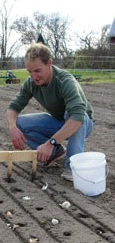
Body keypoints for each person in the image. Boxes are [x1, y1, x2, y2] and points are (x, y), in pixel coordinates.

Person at [6, 43, 93, 181]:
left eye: (37, 71)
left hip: (81, 123)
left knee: (73, 114)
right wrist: (12, 127)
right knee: (19, 123)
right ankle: (53, 153)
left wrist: (50, 143)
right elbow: (13, 107)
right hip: (59, 121)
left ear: (49, 63)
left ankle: (73, 168)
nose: (34, 76)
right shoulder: (31, 83)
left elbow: (77, 117)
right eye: (30, 71)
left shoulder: (65, 81)